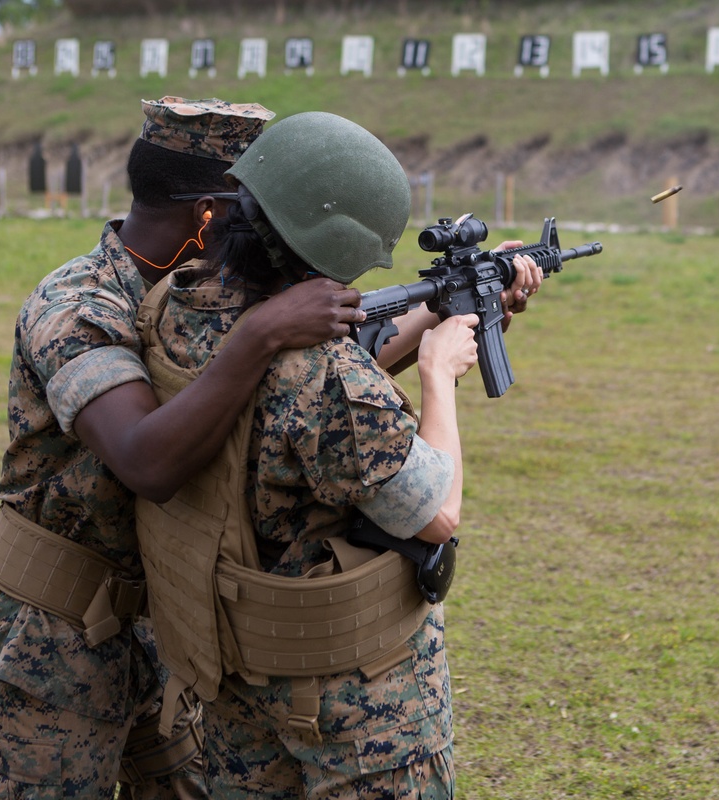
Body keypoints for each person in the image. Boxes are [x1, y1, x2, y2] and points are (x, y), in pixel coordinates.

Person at [0, 97, 371, 799]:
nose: (263, 230)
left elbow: (288, 402)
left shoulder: (199, 299)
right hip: (43, 642)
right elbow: (147, 461)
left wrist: (441, 319)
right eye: (250, 210)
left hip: (163, 630)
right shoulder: (77, 306)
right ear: (208, 214)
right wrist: (262, 334)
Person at [136, 111, 542, 799]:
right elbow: (436, 512)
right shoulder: (327, 379)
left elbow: (323, 387)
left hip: (237, 673)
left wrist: (444, 308)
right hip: (356, 703)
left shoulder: (181, 306)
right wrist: (438, 376)